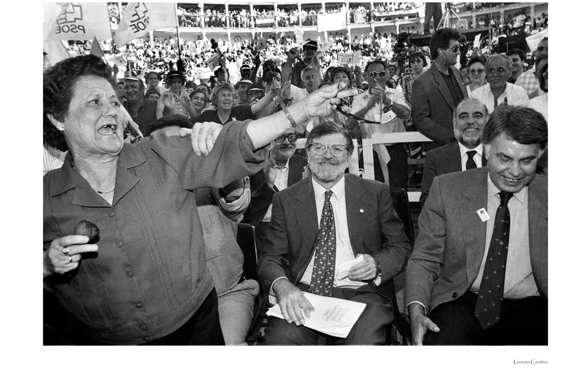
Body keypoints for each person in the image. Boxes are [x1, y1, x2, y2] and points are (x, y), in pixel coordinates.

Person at [43, 54, 345, 345]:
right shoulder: (44, 197)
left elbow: (237, 141)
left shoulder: (162, 154)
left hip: (197, 330)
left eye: (114, 102)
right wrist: (46, 264)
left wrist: (303, 109)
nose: (110, 110)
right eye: (94, 102)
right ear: (58, 119)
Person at [257, 122, 412, 345]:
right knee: (280, 344)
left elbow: (401, 247)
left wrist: (377, 263)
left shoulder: (374, 193)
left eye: (337, 149)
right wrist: (283, 286)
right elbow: (270, 258)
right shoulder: (286, 199)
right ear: (307, 153)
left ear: (349, 155)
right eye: (319, 148)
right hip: (303, 294)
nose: (327, 156)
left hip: (362, 295)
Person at [405, 105, 548, 345]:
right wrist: (416, 312)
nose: (514, 171)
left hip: (530, 304)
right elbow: (424, 258)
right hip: (460, 298)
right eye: (504, 158)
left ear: (540, 154)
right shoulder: (447, 189)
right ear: (487, 148)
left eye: (526, 161)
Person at [146, 115, 259, 346]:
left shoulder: (209, 184)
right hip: (166, 308)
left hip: (225, 295)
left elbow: (235, 200)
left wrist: (221, 153)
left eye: (179, 144)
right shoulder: (142, 194)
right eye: (164, 147)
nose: (172, 154)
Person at [347, 60, 411, 187]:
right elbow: (349, 124)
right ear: (366, 77)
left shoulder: (396, 93)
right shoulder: (359, 99)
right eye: (372, 74)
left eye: (381, 73)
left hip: (396, 150)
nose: (377, 77)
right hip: (371, 151)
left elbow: (406, 114)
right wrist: (367, 107)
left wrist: (387, 101)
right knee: (375, 190)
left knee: (399, 190)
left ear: (386, 75)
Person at [242, 129, 307, 252]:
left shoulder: (305, 166)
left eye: (292, 137)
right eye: (281, 137)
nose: (287, 142)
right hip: (261, 231)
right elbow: (245, 211)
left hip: (297, 231)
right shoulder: (253, 165)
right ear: (268, 139)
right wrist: (268, 185)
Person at [420, 98, 489, 206]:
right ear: (454, 123)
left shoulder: (500, 156)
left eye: (477, 115)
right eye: (463, 116)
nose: (470, 121)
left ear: (487, 121)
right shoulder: (436, 159)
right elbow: (428, 202)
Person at [411, 28, 468, 151]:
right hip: (441, 150)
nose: (458, 53)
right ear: (441, 51)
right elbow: (420, 119)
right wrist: (451, 137)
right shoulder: (422, 83)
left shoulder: (457, 74)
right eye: (455, 49)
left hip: (466, 146)